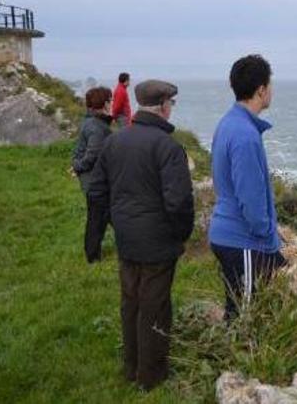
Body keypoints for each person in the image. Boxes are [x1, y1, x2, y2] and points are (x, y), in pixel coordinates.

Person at [87, 80, 194, 390]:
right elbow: (179, 202)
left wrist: (116, 221)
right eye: (171, 103)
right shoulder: (168, 146)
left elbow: (96, 191)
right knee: (155, 307)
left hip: (127, 238)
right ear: (163, 106)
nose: (171, 108)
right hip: (159, 242)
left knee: (130, 302)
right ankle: (151, 377)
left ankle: (131, 368)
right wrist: (181, 235)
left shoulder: (114, 141)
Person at [209, 54, 286, 320]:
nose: (271, 91)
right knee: (246, 319)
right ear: (261, 90)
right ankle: (233, 363)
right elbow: (251, 200)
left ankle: (226, 360)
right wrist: (267, 235)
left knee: (238, 312)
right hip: (243, 241)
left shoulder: (229, 123)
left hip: (228, 235)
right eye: (270, 86)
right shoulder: (245, 135)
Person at [71, 86, 114, 262]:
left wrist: (77, 166)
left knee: (106, 216)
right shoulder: (97, 127)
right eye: (110, 100)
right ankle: (92, 257)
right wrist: (78, 167)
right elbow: (92, 156)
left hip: (95, 181)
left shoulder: (92, 122)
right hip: (96, 183)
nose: (112, 103)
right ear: (105, 104)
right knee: (97, 220)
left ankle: (133, 244)